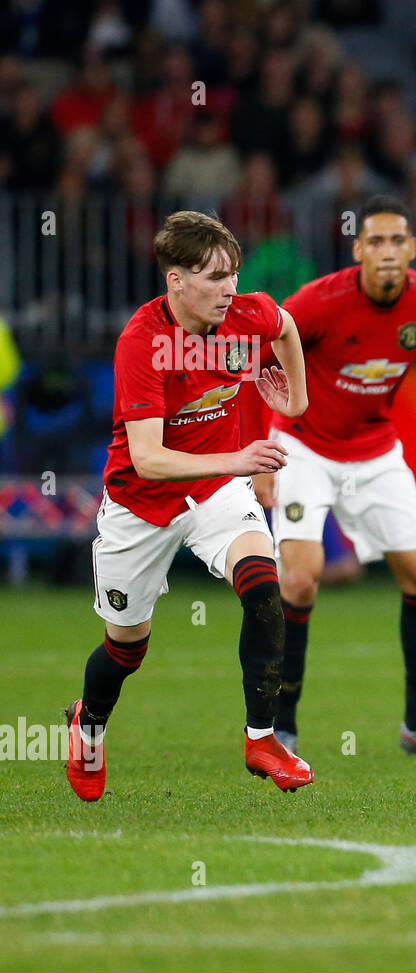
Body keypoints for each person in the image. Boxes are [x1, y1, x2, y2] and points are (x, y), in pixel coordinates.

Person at [67, 210, 312, 801]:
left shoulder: (244, 312)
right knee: (126, 646)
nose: (230, 288)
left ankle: (262, 738)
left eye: (233, 273)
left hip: (214, 490)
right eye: (214, 276)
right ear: (176, 281)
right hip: (141, 503)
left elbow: (285, 326)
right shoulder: (143, 343)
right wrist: (241, 461)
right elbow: (149, 459)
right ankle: (88, 724)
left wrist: (295, 402)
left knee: (262, 587)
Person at [251, 195, 416, 757]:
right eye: (376, 242)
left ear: (413, 248)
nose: (388, 252)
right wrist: (267, 445)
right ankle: (282, 729)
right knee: (299, 579)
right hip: (304, 447)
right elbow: (263, 363)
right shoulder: (317, 303)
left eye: (398, 241)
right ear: (358, 250)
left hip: (375, 453)